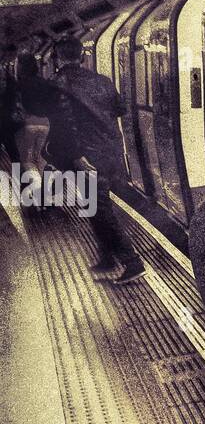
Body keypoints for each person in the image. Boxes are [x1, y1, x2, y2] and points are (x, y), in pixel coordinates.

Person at [37, 36, 147, 283]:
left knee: (100, 210)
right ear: (83, 56)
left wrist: (76, 156)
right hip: (110, 152)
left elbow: (63, 124)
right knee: (96, 206)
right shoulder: (102, 81)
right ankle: (107, 257)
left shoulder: (56, 84)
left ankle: (133, 263)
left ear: (57, 58)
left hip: (85, 158)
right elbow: (120, 108)